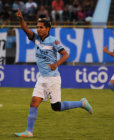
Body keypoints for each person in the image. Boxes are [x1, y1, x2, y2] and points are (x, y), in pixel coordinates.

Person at [15, 9, 93, 138]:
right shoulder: (36, 39)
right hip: (42, 78)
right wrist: (21, 19)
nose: (38, 29)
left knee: (56, 107)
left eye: (41, 27)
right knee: (34, 102)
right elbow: (25, 29)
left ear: (48, 29)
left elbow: (65, 54)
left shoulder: (53, 41)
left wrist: (56, 64)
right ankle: (29, 131)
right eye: (37, 27)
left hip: (53, 79)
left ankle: (82, 103)